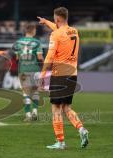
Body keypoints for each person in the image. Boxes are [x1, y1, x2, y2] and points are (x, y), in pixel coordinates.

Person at [38, 7, 89, 149]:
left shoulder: (55, 35)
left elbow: (49, 56)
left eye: (54, 18)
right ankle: (81, 129)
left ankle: (60, 142)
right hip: (72, 74)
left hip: (59, 74)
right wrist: (47, 22)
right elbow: (59, 29)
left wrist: (42, 76)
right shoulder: (74, 31)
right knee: (67, 107)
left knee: (56, 108)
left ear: (58, 18)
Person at [14, 24, 44, 121]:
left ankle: (28, 115)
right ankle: (35, 112)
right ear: (33, 30)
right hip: (35, 69)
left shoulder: (18, 43)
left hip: (23, 69)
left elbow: (17, 58)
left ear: (26, 31)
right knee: (35, 91)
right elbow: (40, 58)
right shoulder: (37, 42)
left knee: (25, 92)